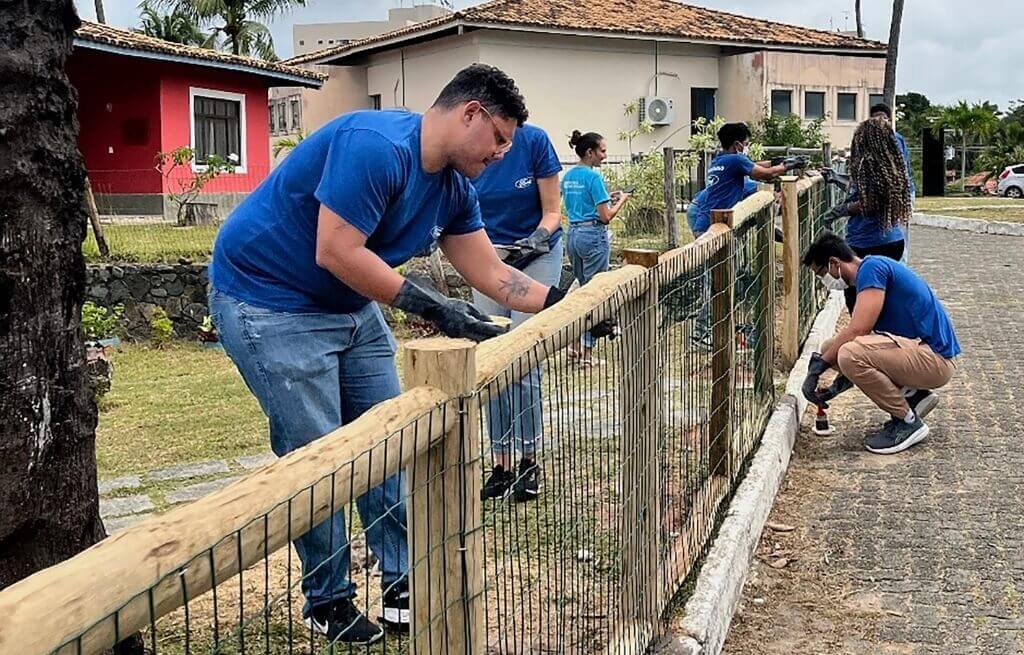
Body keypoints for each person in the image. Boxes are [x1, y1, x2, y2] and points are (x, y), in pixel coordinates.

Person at [208, 64, 569, 645]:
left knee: (391, 442)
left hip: (348, 307)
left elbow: (495, 275)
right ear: (470, 113)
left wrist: (568, 306)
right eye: (499, 138)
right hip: (268, 298)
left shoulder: (453, 189)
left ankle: (403, 579)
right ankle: (327, 598)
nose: (504, 154)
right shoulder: (375, 147)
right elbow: (337, 250)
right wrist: (438, 309)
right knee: (320, 455)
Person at [801, 232, 960, 455]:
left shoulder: (871, 269)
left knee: (847, 353)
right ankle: (913, 395)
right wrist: (836, 386)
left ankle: (908, 421)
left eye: (822, 273)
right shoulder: (869, 275)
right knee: (832, 347)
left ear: (834, 263)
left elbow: (858, 330)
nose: (824, 281)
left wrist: (818, 367)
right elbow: (864, 344)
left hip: (935, 359)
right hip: (920, 352)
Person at [469, 122, 563, 502]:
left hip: (536, 254)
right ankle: (501, 462)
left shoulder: (535, 140)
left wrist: (535, 240)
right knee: (492, 358)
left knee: (523, 357)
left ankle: (528, 460)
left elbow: (553, 211)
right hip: (489, 258)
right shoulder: (470, 149)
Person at [686, 122, 808, 348]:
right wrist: (788, 165)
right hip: (715, 227)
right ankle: (701, 334)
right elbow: (766, 174)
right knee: (718, 282)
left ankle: (715, 327)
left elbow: (757, 165)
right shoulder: (736, 161)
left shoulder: (721, 161)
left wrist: (778, 163)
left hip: (708, 223)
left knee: (722, 279)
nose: (747, 148)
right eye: (746, 144)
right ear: (737, 144)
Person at [823, 117, 912, 313]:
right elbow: (861, 189)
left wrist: (841, 211)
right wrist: (836, 178)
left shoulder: (867, 163)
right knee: (882, 297)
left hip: (867, 242)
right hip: (893, 240)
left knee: (856, 298)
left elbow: (870, 202)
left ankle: (862, 338)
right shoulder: (891, 166)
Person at [561, 130, 629, 366]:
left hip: (573, 235)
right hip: (593, 237)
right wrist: (622, 200)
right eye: (602, 151)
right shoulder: (593, 178)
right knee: (595, 295)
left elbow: (578, 204)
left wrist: (605, 197)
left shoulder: (569, 176)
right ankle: (587, 354)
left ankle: (573, 344)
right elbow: (606, 216)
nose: (605, 156)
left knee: (581, 292)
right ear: (590, 152)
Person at [870, 102, 916, 263]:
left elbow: (899, 170)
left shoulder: (895, 139)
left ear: (889, 120)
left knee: (899, 232)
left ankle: (900, 268)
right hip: (880, 194)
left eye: (883, 118)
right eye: (876, 118)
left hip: (901, 193)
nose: (880, 122)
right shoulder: (867, 140)